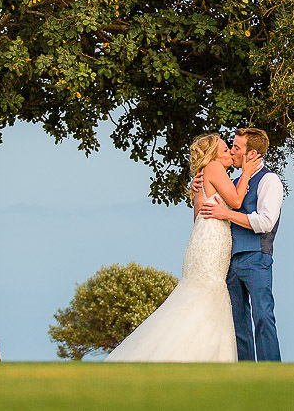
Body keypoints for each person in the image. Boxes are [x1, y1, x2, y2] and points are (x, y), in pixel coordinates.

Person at [105, 133, 260, 362]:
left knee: (200, 293)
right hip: (212, 238)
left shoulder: (203, 174)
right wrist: (246, 173)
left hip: (203, 238)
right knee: (208, 291)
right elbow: (236, 202)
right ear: (213, 155)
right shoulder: (214, 168)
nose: (229, 153)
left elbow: (197, 214)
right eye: (225, 149)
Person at [197, 127, 282, 361]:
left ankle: (271, 372)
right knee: (238, 323)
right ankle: (246, 372)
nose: (232, 152)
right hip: (229, 260)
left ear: (251, 154)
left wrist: (227, 214)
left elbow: (265, 222)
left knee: (263, 315)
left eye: (236, 148)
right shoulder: (234, 181)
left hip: (256, 257)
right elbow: (212, 198)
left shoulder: (270, 181)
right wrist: (198, 185)